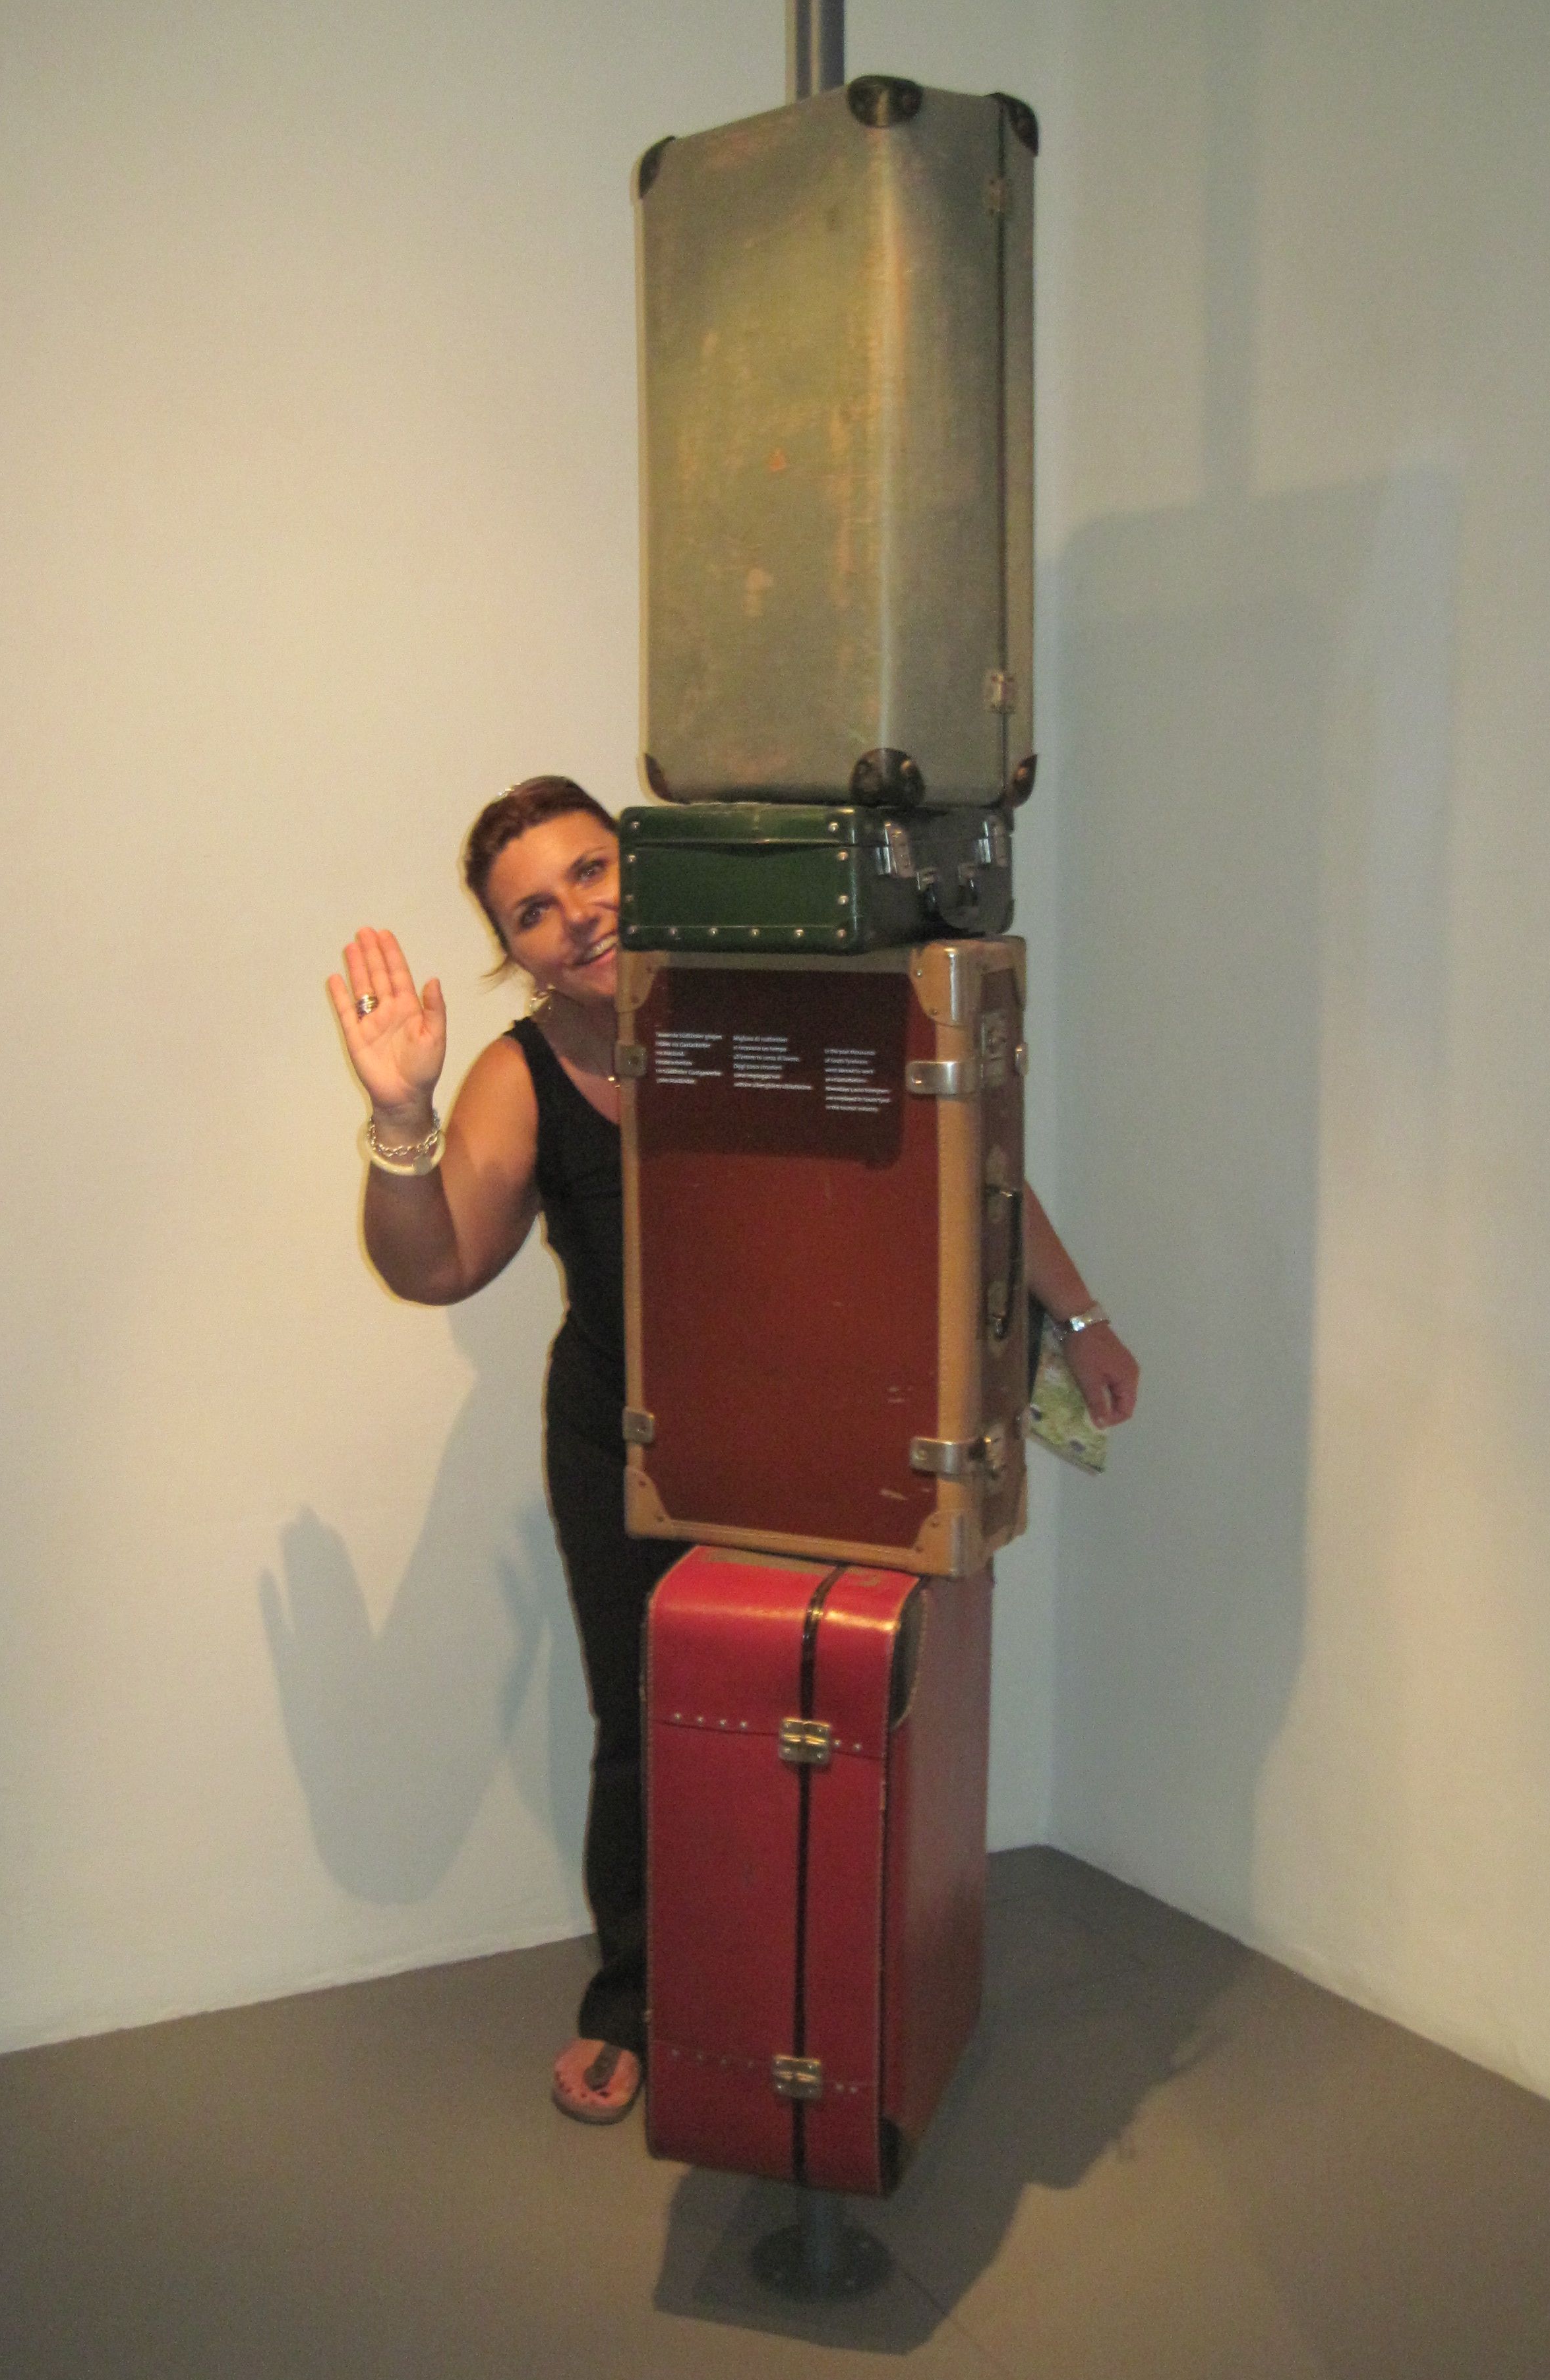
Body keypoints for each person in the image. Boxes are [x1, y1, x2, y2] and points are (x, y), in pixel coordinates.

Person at [326, 776, 1140, 2127]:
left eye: (592, 871)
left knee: (846, 1704)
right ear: (512, 949)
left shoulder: (773, 998)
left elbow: (968, 1163)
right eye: (532, 911)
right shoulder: (521, 1073)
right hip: (629, 1444)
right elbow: (435, 1265)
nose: (577, 916)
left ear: (639, 864)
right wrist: (402, 1116)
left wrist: (1082, 1315)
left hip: (817, 1421)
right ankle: (635, 2000)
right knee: (649, 1724)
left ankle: (843, 1989)